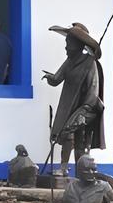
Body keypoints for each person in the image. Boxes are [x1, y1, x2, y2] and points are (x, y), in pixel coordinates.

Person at [43, 22, 105, 170]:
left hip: (87, 108)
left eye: (68, 43)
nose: (66, 47)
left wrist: (84, 111)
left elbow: (93, 91)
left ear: (78, 45)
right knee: (68, 134)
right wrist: (50, 78)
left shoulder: (90, 63)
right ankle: (65, 168)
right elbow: (57, 79)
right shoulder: (69, 61)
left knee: (77, 137)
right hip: (71, 105)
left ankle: (79, 170)